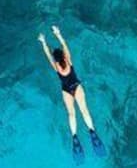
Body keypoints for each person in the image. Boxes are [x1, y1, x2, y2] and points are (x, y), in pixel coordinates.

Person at [38, 26, 107, 161]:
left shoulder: (56, 67)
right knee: (84, 110)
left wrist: (43, 42)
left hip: (66, 90)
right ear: (63, 56)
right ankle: (92, 131)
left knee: (71, 114)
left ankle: (74, 136)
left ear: (56, 60)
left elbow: (48, 54)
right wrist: (58, 33)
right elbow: (64, 45)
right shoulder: (68, 60)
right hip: (76, 86)